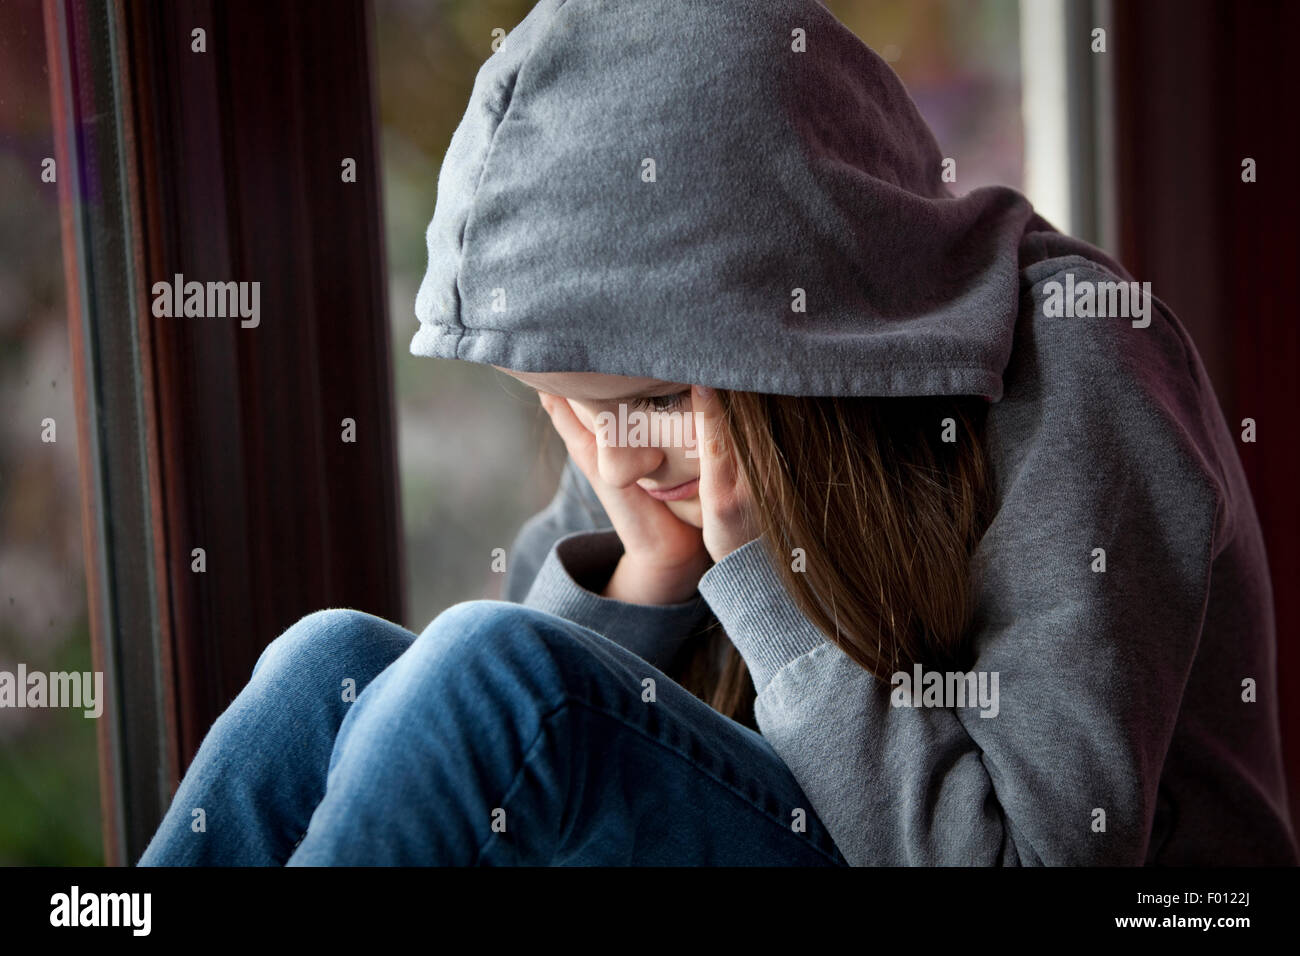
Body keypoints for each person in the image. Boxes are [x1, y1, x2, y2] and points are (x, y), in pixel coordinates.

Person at [138, 0, 1297, 866]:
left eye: (637, 397)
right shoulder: (658, 413)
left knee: (496, 681)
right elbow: (515, 788)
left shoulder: (1083, 367)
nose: (614, 447)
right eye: (569, 406)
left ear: (772, 336)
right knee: (325, 665)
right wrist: (647, 572)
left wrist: (760, 579)